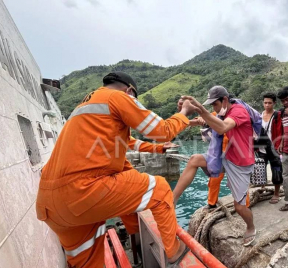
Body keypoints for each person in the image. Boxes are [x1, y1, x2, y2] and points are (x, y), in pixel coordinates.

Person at [36, 71, 196, 268]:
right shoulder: (118, 97)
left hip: (49, 204)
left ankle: (134, 238)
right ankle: (174, 251)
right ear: (129, 91)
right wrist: (184, 113)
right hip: (83, 191)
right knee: (161, 188)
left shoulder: (85, 109)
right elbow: (162, 130)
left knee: (87, 260)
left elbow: (129, 142)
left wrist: (160, 148)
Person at [174, 86, 257, 246]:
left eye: (215, 104)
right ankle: (171, 201)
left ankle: (251, 227)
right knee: (194, 159)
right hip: (225, 156)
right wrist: (183, 113)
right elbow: (197, 122)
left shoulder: (238, 112)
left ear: (224, 100)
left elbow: (223, 127)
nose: (213, 108)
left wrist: (199, 108)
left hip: (240, 163)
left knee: (239, 207)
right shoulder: (221, 113)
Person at [257, 93, 283, 204]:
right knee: (261, 170)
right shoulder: (259, 116)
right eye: (265, 103)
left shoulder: (278, 115)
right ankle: (263, 189)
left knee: (276, 170)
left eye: (270, 103)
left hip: (274, 148)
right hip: (261, 148)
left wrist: (282, 143)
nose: (267, 105)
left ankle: (276, 193)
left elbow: (283, 130)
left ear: (274, 103)